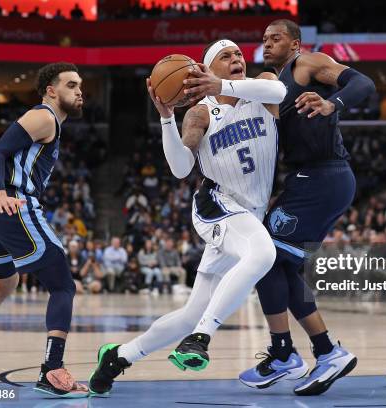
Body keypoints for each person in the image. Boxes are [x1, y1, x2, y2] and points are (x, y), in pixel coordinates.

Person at [88, 39, 286, 395]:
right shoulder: (201, 112)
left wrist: (222, 84)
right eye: (226, 56)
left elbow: (280, 89)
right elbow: (181, 169)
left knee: (189, 314)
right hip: (218, 205)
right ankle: (200, 340)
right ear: (207, 69)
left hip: (250, 215)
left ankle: (119, 356)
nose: (237, 58)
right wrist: (166, 117)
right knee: (264, 254)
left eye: (239, 53)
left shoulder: (263, 90)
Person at [239, 19, 375, 396]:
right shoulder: (272, 83)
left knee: (264, 257)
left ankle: (288, 352)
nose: (267, 43)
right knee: (280, 267)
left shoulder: (308, 64)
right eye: (263, 38)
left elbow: (364, 83)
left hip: (323, 176)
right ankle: (324, 351)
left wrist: (333, 103)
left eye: (276, 38)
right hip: (306, 179)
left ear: (295, 43)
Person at [0, 63, 88, 398]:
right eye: (71, 84)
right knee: (63, 284)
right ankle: (52, 369)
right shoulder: (44, 117)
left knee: (5, 282)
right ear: (51, 90)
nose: (79, 91)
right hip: (9, 201)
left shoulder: (51, 124)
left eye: (80, 85)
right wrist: (0, 193)